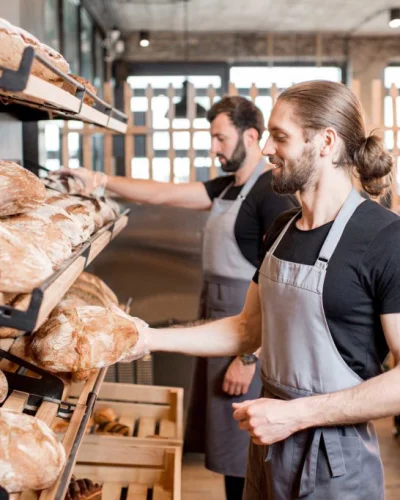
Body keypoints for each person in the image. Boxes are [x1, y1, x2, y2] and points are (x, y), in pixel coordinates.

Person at [124, 80, 400, 499]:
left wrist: (297, 415)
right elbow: (246, 329)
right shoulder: (282, 229)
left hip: (335, 461)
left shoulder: (384, 238)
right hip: (269, 445)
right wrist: (144, 336)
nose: (267, 149)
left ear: (326, 141)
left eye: (280, 136)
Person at [62, 96, 298, 500]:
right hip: (218, 326)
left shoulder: (269, 195)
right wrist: (98, 180)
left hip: (249, 337)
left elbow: (283, 288)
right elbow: (163, 194)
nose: (215, 147)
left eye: (221, 138)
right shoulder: (229, 187)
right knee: (227, 450)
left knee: (246, 448)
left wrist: (248, 357)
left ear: (252, 135)